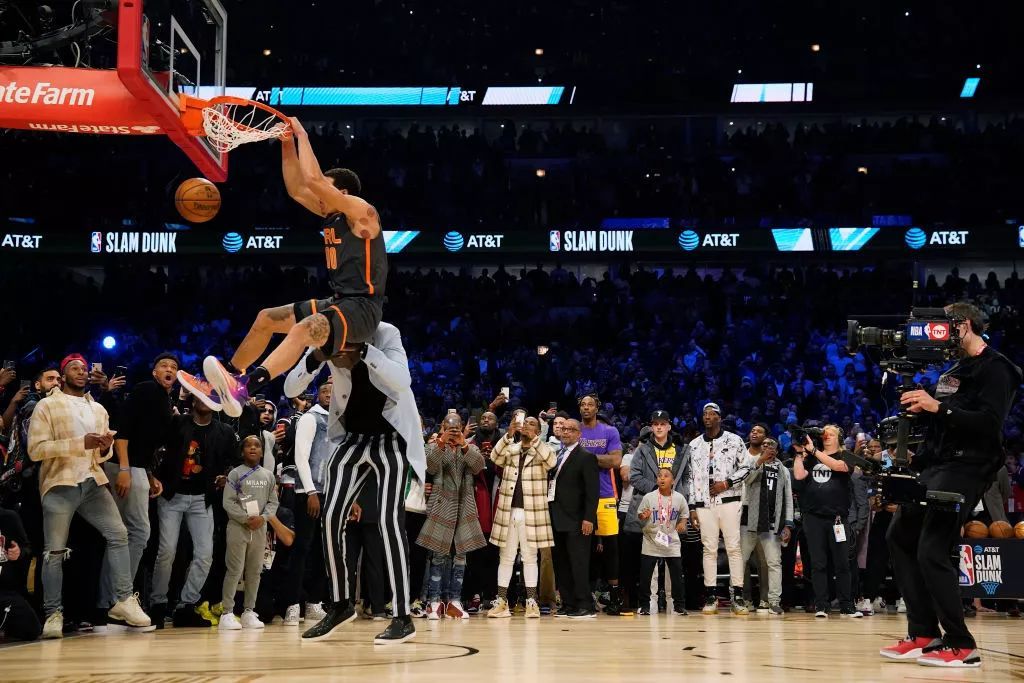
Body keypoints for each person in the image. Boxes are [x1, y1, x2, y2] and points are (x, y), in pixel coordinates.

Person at [180, 118, 386, 419]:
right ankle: (227, 382)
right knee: (266, 318)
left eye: (326, 191)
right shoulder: (332, 213)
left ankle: (246, 388)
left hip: (362, 308)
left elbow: (313, 181)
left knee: (304, 329)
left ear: (342, 193)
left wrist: (302, 134)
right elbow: (297, 189)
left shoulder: (362, 212)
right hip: (340, 301)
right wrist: (287, 144)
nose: (318, 198)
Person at [882, 302, 1021, 668]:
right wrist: (922, 416)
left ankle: (962, 644)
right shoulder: (952, 370)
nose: (936, 336)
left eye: (943, 328)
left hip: (969, 466)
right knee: (899, 535)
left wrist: (937, 408)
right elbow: (946, 419)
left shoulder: (998, 368)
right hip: (938, 463)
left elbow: (989, 423)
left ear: (965, 325)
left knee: (932, 549)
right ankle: (923, 634)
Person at [289, 321, 426, 645]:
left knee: (390, 522)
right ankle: (341, 604)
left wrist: (363, 351)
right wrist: (315, 357)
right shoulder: (330, 334)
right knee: (330, 517)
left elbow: (402, 379)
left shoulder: (386, 333)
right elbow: (291, 388)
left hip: (391, 439)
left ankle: (402, 616)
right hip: (351, 438)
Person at [27, 354, 151, 638]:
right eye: (75, 368)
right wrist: (79, 443)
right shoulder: (47, 405)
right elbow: (35, 450)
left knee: (119, 534)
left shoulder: (98, 409)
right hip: (60, 481)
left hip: (93, 481)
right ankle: (53, 613)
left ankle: (123, 600)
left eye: (84, 368)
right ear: (63, 375)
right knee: (54, 551)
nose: (82, 372)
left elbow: (101, 455)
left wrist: (105, 448)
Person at [99, 353, 178, 622]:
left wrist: (148, 473)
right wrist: (124, 469)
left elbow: (147, 443)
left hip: (137, 467)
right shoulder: (146, 389)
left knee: (124, 533)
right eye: (164, 366)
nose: (169, 369)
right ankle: (119, 599)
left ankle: (111, 601)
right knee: (137, 531)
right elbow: (123, 429)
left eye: (174, 367)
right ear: (154, 372)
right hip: (123, 465)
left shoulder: (165, 399)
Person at [151, 394, 237, 628]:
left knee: (205, 554)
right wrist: (152, 475)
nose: (204, 401)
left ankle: (186, 605)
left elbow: (233, 461)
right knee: (166, 551)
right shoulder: (177, 422)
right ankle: (158, 603)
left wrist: (226, 476)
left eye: (209, 397)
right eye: (200, 396)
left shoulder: (224, 431)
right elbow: (155, 445)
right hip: (172, 495)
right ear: (192, 400)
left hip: (202, 498)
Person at [417, 413, 486, 620]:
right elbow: (430, 467)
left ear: (462, 427)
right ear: (442, 427)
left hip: (464, 505)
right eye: (449, 428)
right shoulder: (432, 446)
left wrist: (463, 444)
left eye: (456, 428)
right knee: (438, 555)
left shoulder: (470, 447)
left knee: (461, 555)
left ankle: (454, 601)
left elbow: (478, 467)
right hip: (441, 505)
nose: (453, 432)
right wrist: (442, 442)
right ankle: (434, 601)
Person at [487, 416, 556, 618]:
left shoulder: (544, 449)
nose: (526, 426)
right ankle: (501, 603)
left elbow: (551, 462)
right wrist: (508, 435)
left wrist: (535, 440)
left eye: (532, 424)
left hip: (532, 512)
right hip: (508, 511)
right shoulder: (512, 448)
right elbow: (494, 457)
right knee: (506, 557)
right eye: (525, 423)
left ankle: (531, 603)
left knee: (530, 557)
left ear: (539, 431)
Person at [686, 402, 750, 615]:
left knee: (733, 547)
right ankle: (711, 595)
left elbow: (747, 467)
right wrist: (692, 507)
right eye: (705, 413)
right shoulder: (694, 445)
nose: (707, 417)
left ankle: (737, 595)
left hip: (730, 500)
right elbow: (691, 477)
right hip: (704, 504)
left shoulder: (734, 440)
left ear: (719, 418)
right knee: (709, 549)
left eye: (712, 414)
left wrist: (727, 483)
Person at [624, 411, 691, 613]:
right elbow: (634, 476)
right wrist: (657, 491)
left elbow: (686, 478)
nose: (659, 427)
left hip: (672, 510)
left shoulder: (679, 449)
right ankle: (649, 603)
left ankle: (674, 603)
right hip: (650, 508)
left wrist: (678, 496)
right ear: (652, 427)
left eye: (663, 424)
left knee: (673, 562)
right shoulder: (643, 449)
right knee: (649, 563)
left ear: (669, 426)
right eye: (655, 424)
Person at [793, 425, 859, 618]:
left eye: (831, 433)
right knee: (818, 563)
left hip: (837, 518)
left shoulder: (845, 455)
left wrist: (814, 451)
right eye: (824, 434)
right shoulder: (811, 456)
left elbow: (839, 467)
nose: (826, 435)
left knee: (842, 563)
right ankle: (821, 605)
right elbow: (799, 475)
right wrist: (799, 453)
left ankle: (847, 605)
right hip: (813, 517)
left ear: (839, 437)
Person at [281, 378, 332, 626]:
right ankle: (292, 604)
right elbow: (301, 457)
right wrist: (311, 491)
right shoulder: (311, 418)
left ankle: (314, 603)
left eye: (333, 391)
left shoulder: (340, 421)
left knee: (323, 550)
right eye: (324, 390)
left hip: (331, 493)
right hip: (309, 492)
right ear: (316, 395)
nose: (329, 394)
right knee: (302, 548)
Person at [218, 435, 279, 631]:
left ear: (262, 451)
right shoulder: (235, 474)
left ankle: (249, 611)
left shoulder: (268, 476)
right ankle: (227, 613)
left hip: (260, 528)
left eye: (257, 445)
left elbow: (273, 502)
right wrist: (245, 518)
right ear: (242, 451)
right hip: (238, 527)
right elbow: (228, 502)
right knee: (235, 569)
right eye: (248, 445)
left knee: (255, 570)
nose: (253, 448)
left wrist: (263, 518)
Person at [577, 394, 626, 615]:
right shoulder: (574, 430)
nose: (586, 408)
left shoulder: (609, 431)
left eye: (590, 404)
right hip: (579, 496)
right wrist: (599, 458)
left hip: (605, 495)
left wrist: (585, 459)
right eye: (583, 405)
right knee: (582, 548)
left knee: (610, 547)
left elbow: (615, 460)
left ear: (597, 408)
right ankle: (585, 595)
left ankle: (615, 596)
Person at [549, 419, 599, 618]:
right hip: (557, 516)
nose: (566, 432)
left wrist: (589, 518)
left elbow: (592, 491)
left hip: (578, 519)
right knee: (561, 563)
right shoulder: (557, 455)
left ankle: (585, 604)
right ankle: (568, 603)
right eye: (563, 429)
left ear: (579, 434)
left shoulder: (586, 457)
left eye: (571, 430)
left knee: (578, 563)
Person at [739, 437, 793, 616]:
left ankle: (774, 601)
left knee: (774, 562)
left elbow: (788, 498)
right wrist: (759, 461)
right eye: (764, 444)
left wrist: (788, 524)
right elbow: (747, 480)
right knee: (741, 560)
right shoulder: (751, 463)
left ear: (776, 450)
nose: (767, 447)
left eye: (771, 445)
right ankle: (738, 598)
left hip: (772, 522)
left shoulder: (783, 470)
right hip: (750, 520)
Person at [635, 468, 689, 616]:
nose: (662, 478)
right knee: (646, 576)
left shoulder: (679, 498)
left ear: (673, 481)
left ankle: (679, 606)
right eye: (659, 476)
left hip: (670, 540)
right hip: (651, 539)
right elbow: (640, 515)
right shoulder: (649, 497)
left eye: (666, 476)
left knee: (676, 575)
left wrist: (682, 523)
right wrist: (644, 516)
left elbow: (684, 514)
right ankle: (644, 605)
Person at [0, 503, 42, 641]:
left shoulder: (9, 517)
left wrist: (19, 552)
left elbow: (27, 548)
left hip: (5, 592)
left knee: (31, 629)